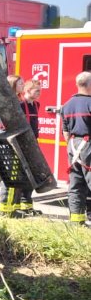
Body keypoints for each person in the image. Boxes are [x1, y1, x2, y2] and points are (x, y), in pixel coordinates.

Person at [61, 71, 91, 226]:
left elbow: (65, 132)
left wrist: (74, 148)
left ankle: (76, 221)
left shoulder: (67, 105)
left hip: (73, 146)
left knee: (76, 184)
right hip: (89, 145)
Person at [0, 75, 26, 217]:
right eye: (20, 83)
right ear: (13, 85)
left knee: (18, 175)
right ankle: (6, 210)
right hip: (11, 142)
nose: (23, 85)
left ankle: (14, 207)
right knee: (12, 175)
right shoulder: (10, 101)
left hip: (17, 141)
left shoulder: (19, 100)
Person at [16, 80, 41, 216]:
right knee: (21, 174)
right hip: (22, 144)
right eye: (36, 90)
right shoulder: (20, 105)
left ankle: (27, 205)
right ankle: (16, 205)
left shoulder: (36, 105)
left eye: (39, 90)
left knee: (31, 175)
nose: (39, 93)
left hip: (33, 143)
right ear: (27, 90)